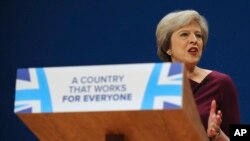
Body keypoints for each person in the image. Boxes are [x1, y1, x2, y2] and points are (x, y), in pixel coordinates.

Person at [155, 9, 240, 141]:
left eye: (198, 36)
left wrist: (218, 135)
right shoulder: (154, 85)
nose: (194, 40)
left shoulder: (221, 83)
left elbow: (241, 134)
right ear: (168, 47)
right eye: (184, 34)